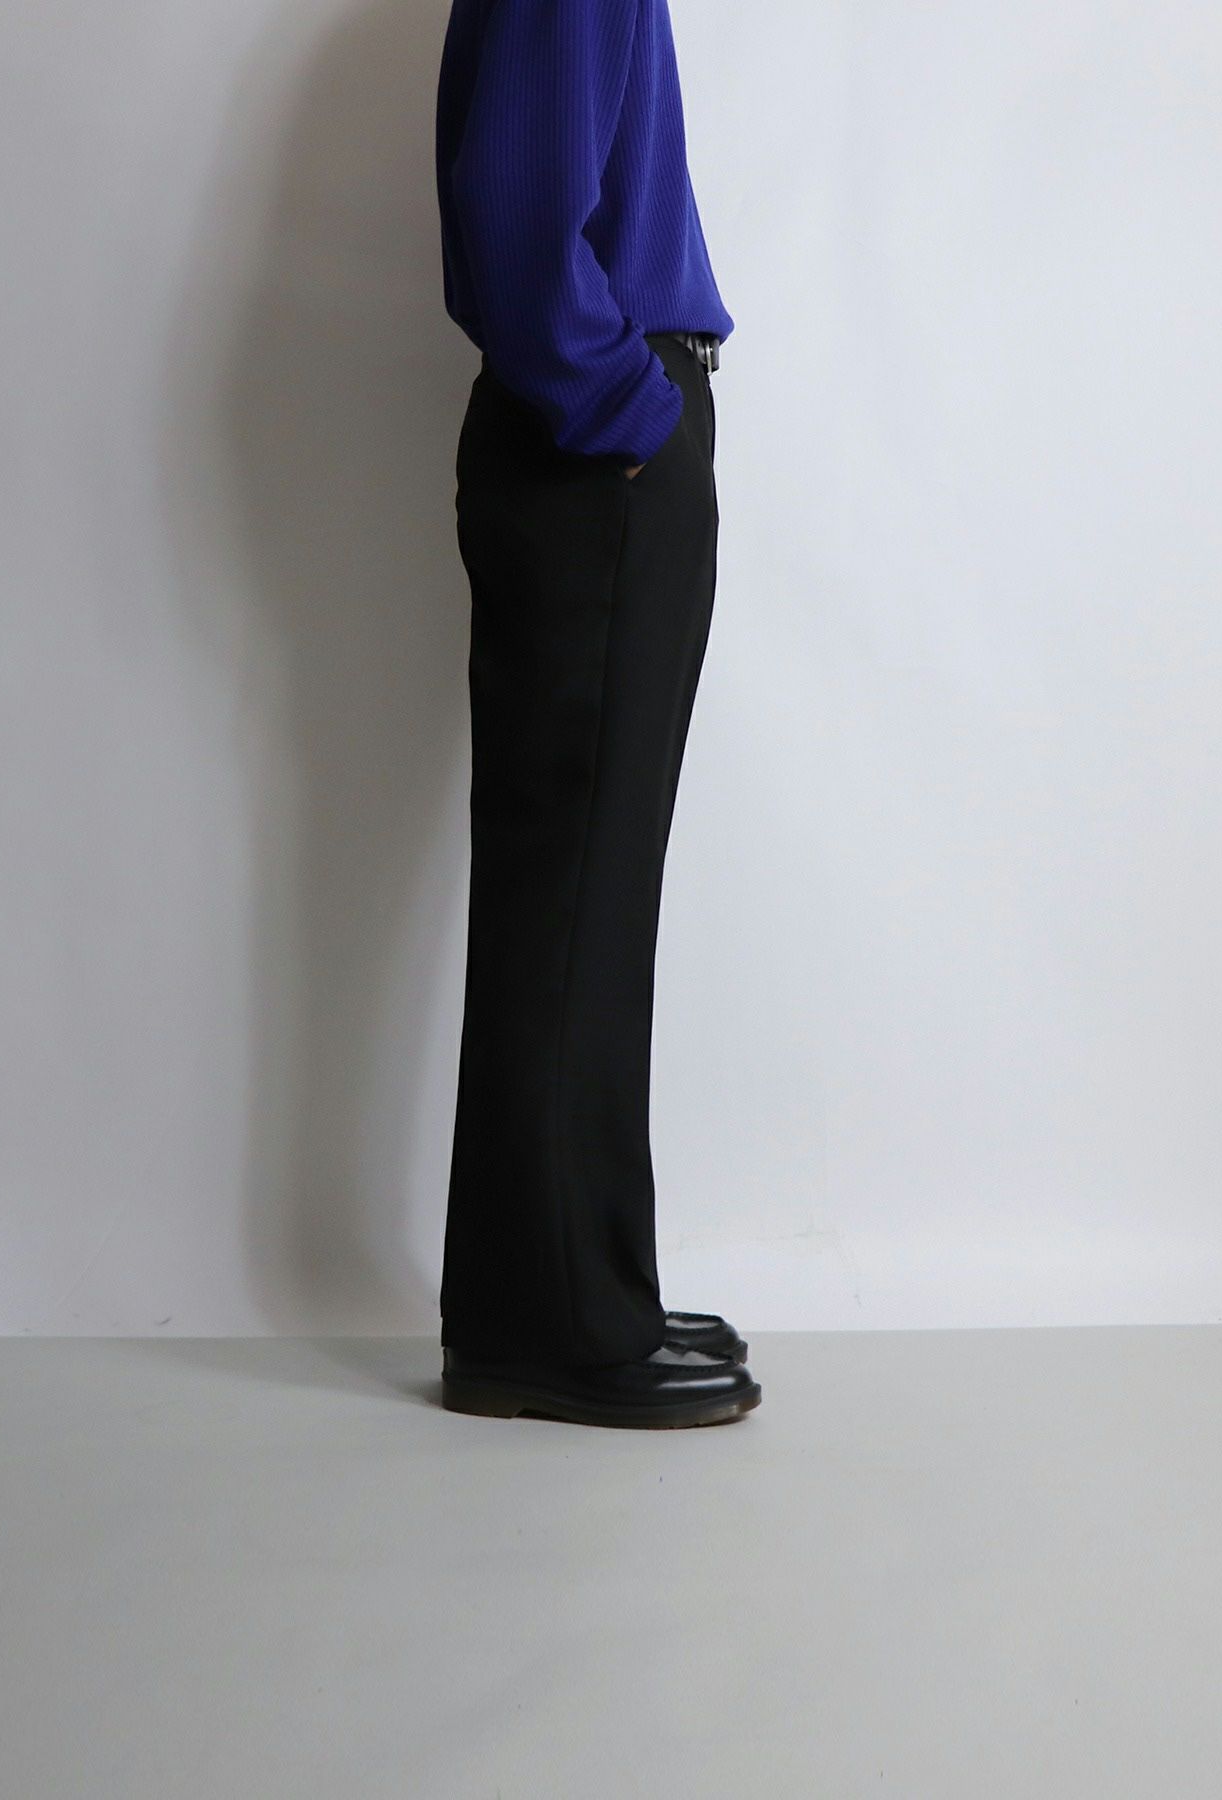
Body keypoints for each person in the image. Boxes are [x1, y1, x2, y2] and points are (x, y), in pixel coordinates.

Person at [433, 0, 759, 1428]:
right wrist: (631, 411)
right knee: (574, 891)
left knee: (582, 890)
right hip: (592, 451)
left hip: (595, 442)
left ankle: (565, 1285)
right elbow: (517, 231)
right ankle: (556, 1321)